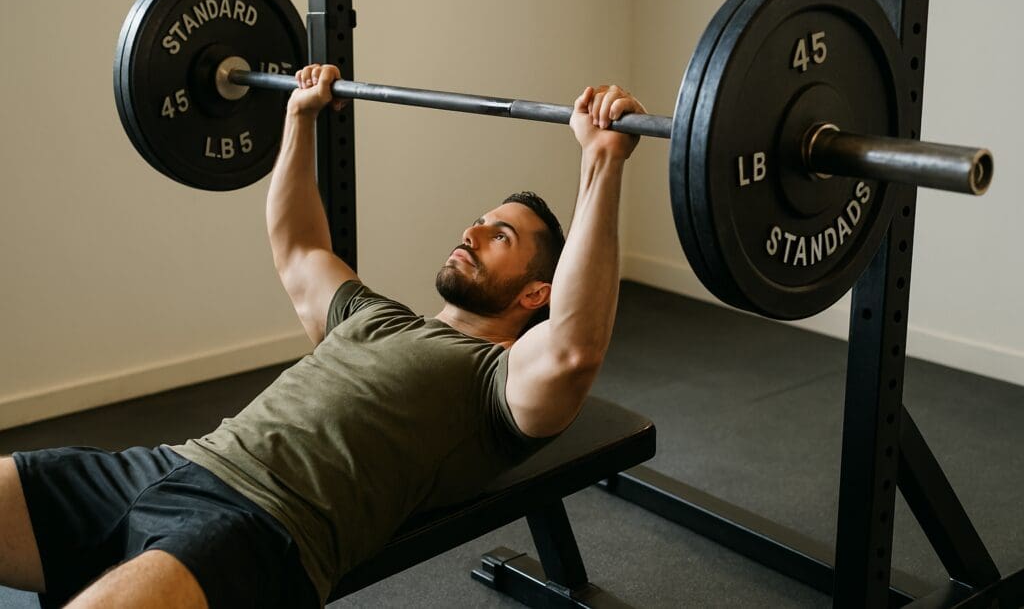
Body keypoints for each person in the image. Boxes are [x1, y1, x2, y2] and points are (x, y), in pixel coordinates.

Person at [0, 64, 645, 608]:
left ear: (536, 293)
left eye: (499, 236)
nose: (470, 232)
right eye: (477, 221)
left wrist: (601, 161)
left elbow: (573, 349)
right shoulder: (374, 315)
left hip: (256, 527)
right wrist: (300, 117)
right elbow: (298, 247)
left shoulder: (497, 383)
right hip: (171, 464)